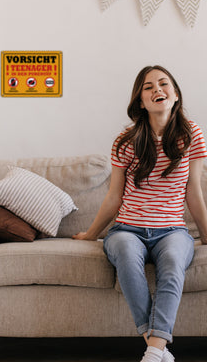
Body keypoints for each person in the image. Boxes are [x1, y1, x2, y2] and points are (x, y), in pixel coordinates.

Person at [73, 65, 207, 362]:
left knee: (173, 261)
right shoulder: (126, 140)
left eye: (163, 84)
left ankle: (153, 351)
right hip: (126, 229)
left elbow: (193, 192)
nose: (157, 89)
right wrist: (91, 234)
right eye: (148, 87)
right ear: (141, 101)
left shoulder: (192, 135)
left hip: (172, 231)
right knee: (124, 254)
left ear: (175, 95)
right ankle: (157, 348)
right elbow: (114, 197)